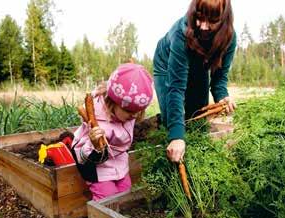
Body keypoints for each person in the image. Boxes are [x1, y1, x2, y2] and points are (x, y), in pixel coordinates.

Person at [153, 0, 237, 163]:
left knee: (197, 120)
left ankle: (197, 164)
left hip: (199, 66)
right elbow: (176, 88)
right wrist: (177, 136)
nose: (204, 26)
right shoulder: (181, 33)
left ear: (223, 19)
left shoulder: (229, 38)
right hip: (166, 65)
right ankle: (171, 159)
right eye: (200, 18)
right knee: (172, 123)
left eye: (212, 21)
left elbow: (219, 78)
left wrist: (222, 97)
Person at [71, 63, 153, 201]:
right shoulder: (97, 122)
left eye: (139, 111)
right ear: (112, 101)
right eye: (129, 111)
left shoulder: (127, 112)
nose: (134, 116)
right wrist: (95, 146)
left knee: (126, 194)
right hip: (97, 167)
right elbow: (82, 157)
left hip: (118, 161)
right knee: (108, 200)